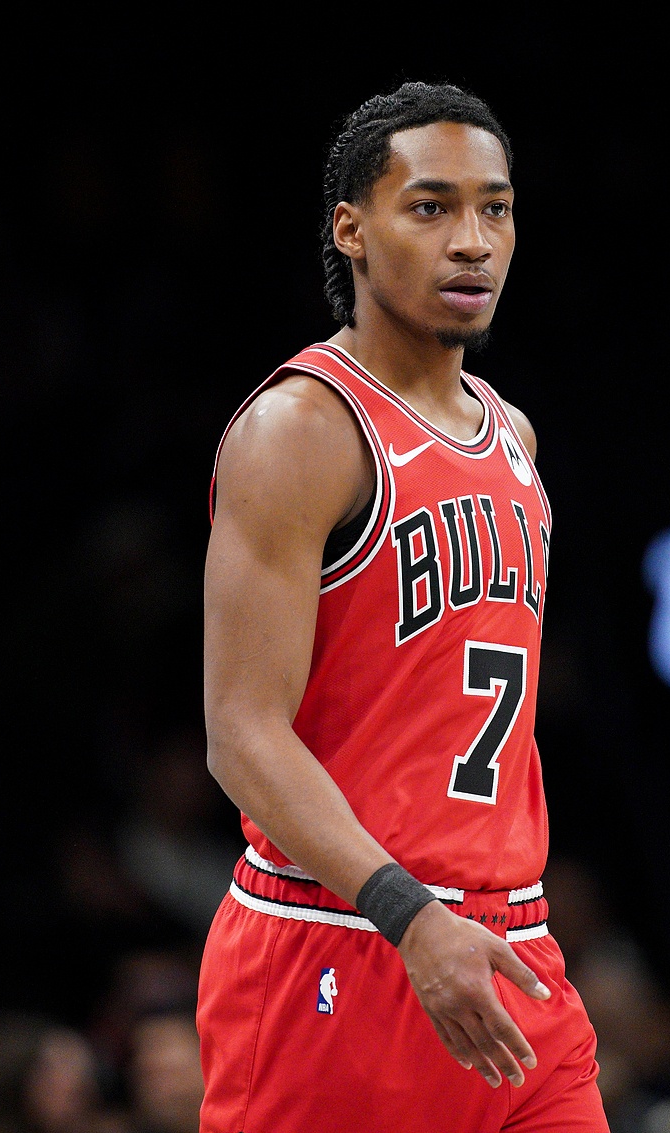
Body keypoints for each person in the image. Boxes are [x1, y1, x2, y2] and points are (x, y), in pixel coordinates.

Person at [198, 82, 604, 1132]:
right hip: (341, 940)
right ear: (352, 230)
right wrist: (410, 915)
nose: (471, 240)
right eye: (430, 207)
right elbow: (240, 733)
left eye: (494, 208)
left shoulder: (512, 434)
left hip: (508, 944)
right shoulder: (301, 429)